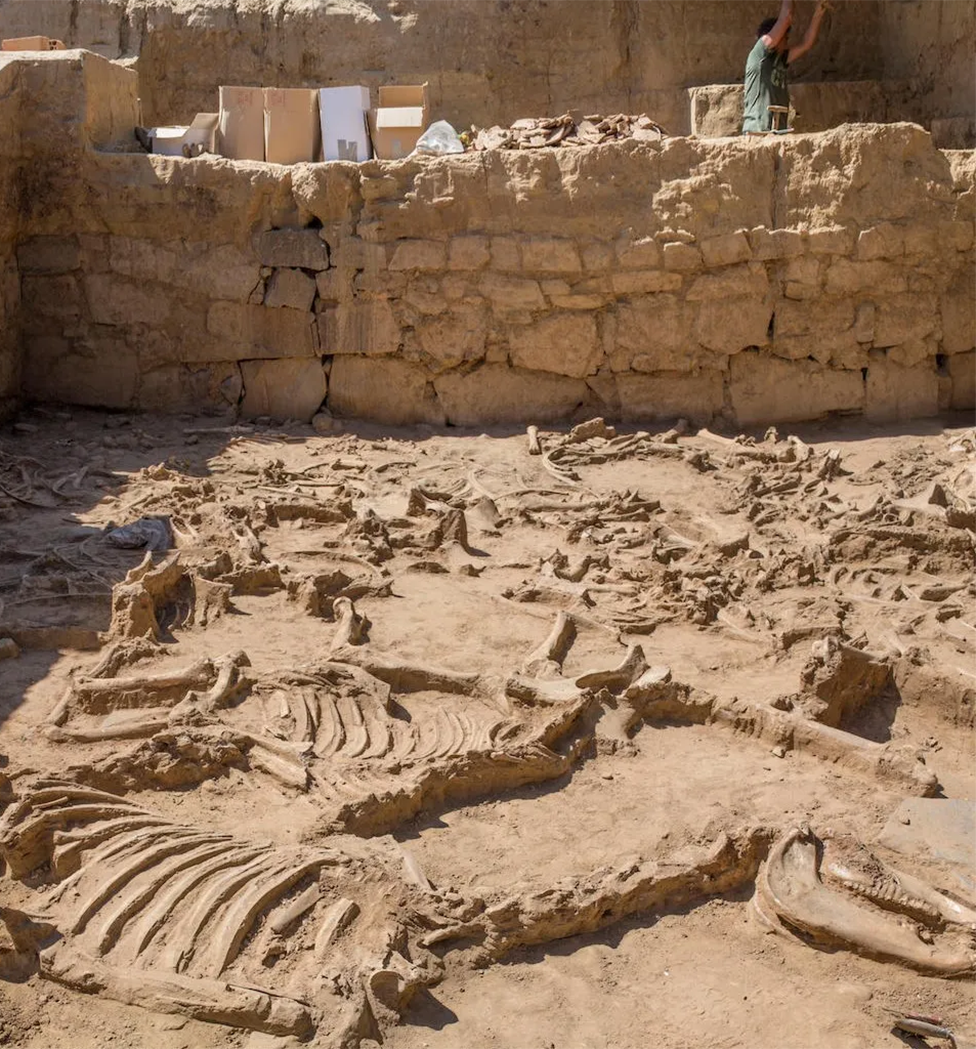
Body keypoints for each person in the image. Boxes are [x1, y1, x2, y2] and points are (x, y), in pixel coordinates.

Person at [742, 0, 831, 134]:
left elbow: (806, 44)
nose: (787, 41)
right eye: (785, 37)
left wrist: (818, 13)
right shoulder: (759, 55)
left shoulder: (780, 59)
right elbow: (786, 18)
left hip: (776, 130)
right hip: (758, 130)